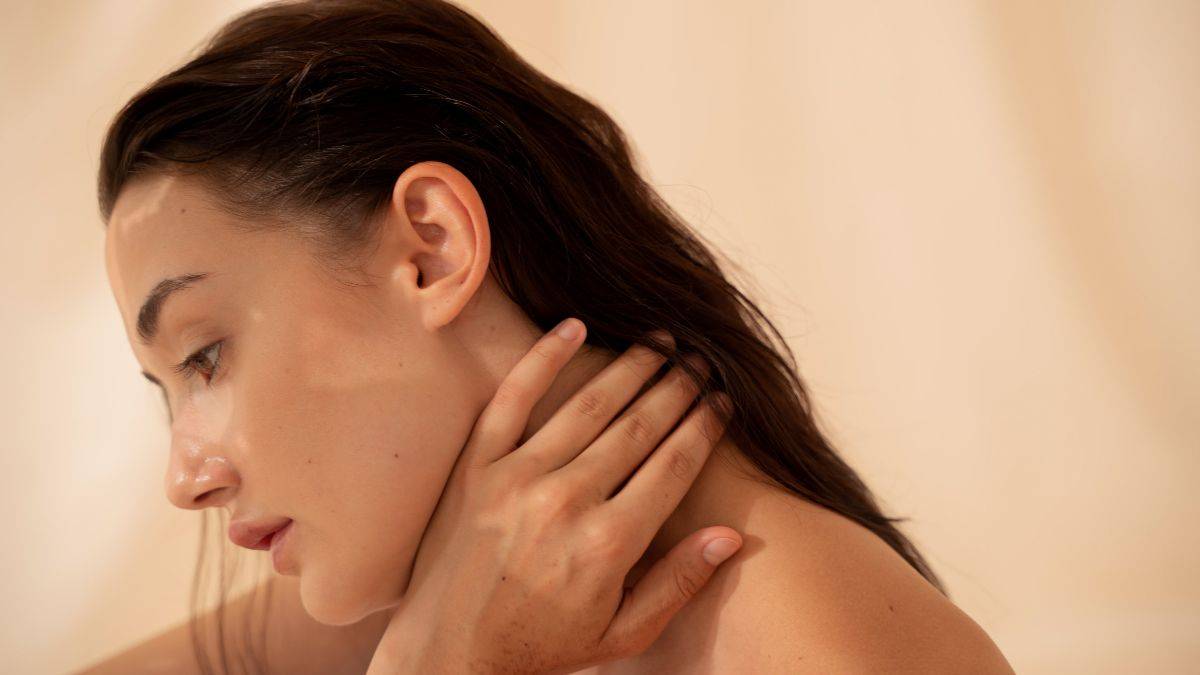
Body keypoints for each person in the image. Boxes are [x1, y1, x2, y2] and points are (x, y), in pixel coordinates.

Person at [85, 0, 1014, 672]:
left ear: (433, 249)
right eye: (167, 390)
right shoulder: (425, 590)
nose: (185, 479)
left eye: (204, 356)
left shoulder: (817, 643)